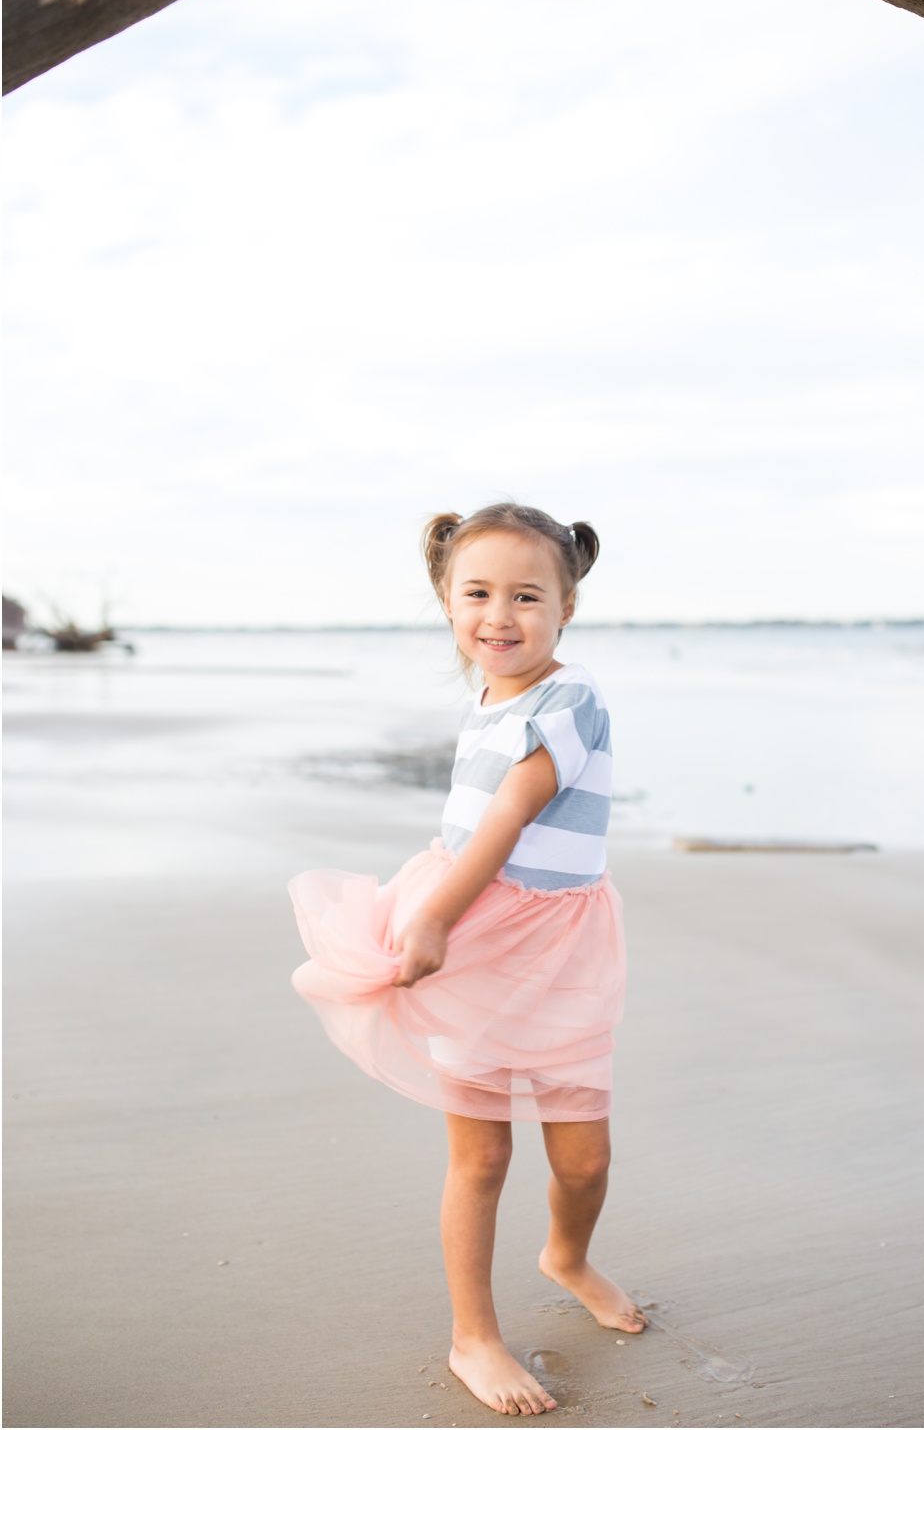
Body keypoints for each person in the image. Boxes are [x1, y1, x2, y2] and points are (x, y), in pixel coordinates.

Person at [290, 502, 643, 1416]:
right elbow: (469, 830)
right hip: (475, 945)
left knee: (583, 1158)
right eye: (477, 593)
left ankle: (565, 1253)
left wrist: (441, 912)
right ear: (447, 603)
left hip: (559, 951)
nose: (500, 615)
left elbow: (513, 812)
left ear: (567, 608)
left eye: (527, 596)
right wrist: (434, 916)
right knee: (480, 1157)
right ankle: (472, 1336)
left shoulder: (572, 699)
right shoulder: (481, 702)